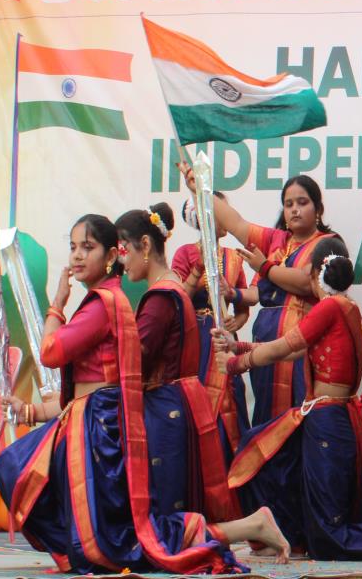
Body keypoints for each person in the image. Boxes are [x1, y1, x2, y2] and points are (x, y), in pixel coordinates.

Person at [0, 214, 288, 573]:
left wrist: (57, 304)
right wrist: (35, 412)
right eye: (72, 247)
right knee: (129, 530)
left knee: (135, 534)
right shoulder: (142, 296)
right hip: (131, 412)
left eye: (89, 247)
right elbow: (108, 375)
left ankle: (250, 526)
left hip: (136, 416)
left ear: (128, 250)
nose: (77, 256)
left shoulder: (132, 301)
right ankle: (249, 526)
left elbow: (61, 355)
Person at [222, 238, 362, 560]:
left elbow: (284, 347)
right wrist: (239, 347)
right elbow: (295, 349)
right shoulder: (347, 307)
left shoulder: (328, 308)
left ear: (316, 272)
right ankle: (280, 535)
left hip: (327, 420)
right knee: (267, 461)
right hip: (329, 418)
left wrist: (235, 365)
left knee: (329, 538)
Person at [184, 164, 339, 425]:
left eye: (302, 202)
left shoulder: (329, 243)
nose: (295, 209)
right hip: (266, 345)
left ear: (318, 209)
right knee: (269, 420)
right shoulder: (276, 240)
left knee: (303, 419)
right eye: (288, 204)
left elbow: (306, 282)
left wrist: (265, 267)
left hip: (302, 346)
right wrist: (201, 190)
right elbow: (236, 223)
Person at [116, 205, 241, 523]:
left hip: (164, 407)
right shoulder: (173, 287)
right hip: (175, 402)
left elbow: (134, 360)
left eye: (124, 249)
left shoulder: (160, 297)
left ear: (145, 245)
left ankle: (252, 527)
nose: (121, 261)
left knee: (168, 522)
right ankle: (250, 527)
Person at [172, 193, 254, 448]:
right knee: (198, 399)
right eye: (220, 214)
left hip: (225, 341)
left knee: (231, 396)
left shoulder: (234, 258)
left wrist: (237, 323)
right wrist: (198, 271)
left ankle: (232, 462)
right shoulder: (185, 253)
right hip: (196, 340)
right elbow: (176, 299)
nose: (226, 220)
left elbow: (243, 308)